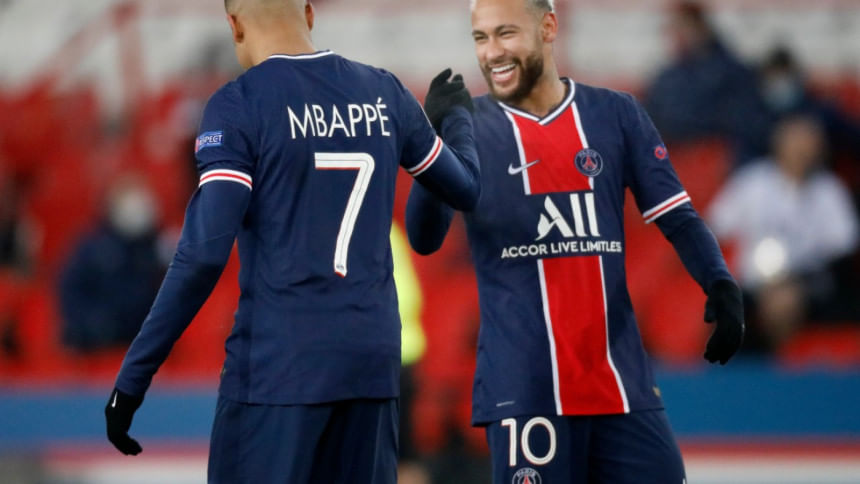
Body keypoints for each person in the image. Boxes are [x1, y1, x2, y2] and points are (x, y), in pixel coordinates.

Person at [103, 1, 480, 483]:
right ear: (308, 13)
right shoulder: (385, 92)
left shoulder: (239, 104)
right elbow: (461, 191)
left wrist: (134, 377)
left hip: (279, 371)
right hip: (372, 371)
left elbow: (203, 254)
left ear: (234, 25)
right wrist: (454, 123)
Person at [405, 0, 744, 482]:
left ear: (548, 27)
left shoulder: (615, 114)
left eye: (506, 33)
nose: (492, 51)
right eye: (481, 38)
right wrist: (432, 146)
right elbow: (424, 237)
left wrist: (719, 282)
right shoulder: (471, 126)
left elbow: (677, 216)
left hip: (620, 386)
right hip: (526, 391)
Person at [708, 115, 859, 353]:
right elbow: (715, 227)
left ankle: (785, 364)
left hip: (808, 283)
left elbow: (844, 244)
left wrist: (798, 273)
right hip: (753, 284)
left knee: (787, 302)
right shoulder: (752, 182)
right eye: (796, 142)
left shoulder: (829, 189)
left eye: (810, 143)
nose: (803, 150)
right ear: (779, 144)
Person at [644, 0, 770, 164]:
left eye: (683, 27)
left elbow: (742, 121)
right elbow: (651, 119)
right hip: (676, 159)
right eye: (675, 29)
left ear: (700, 27)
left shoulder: (731, 71)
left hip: (720, 159)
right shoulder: (668, 76)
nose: (678, 35)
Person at [59, 176, 165, 352]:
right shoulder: (92, 247)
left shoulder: (156, 247)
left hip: (141, 340)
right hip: (97, 343)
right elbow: (70, 291)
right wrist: (92, 324)